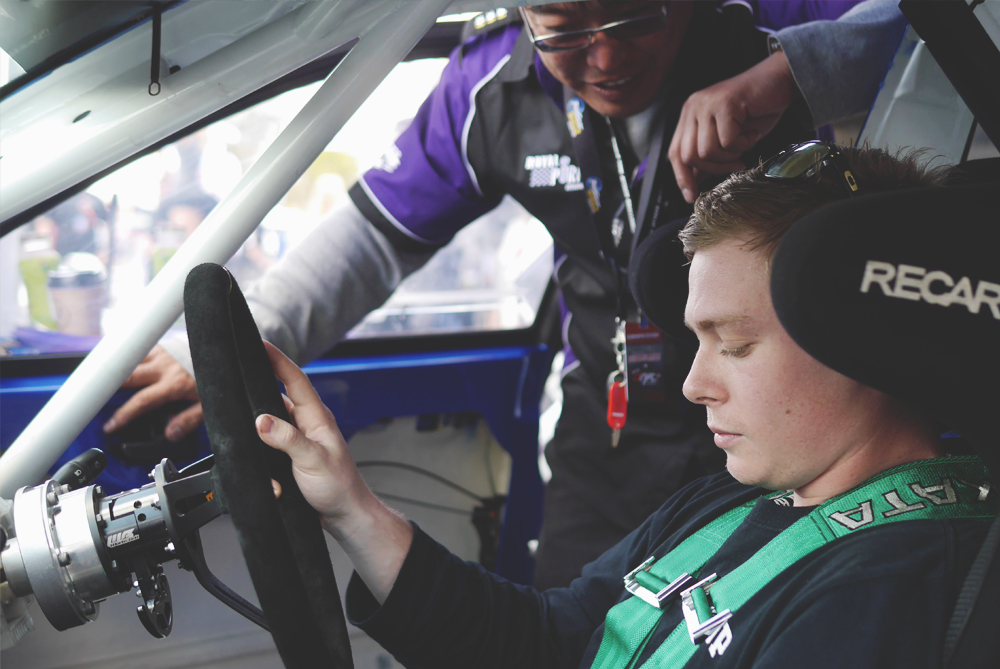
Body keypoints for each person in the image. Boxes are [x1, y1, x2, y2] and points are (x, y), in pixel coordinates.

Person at [105, 1, 910, 589]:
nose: (605, 57)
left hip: (785, 416)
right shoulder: (484, 84)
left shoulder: (773, 21)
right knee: (576, 626)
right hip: (609, 434)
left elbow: (944, 26)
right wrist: (221, 349)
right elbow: (374, 237)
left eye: (633, 18)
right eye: (562, 29)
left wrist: (794, 71)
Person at [252, 143, 997, 668]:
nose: (694, 384)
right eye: (698, 341)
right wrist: (351, 507)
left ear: (862, 340)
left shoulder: (888, 584)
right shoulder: (727, 501)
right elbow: (548, 641)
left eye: (736, 344)